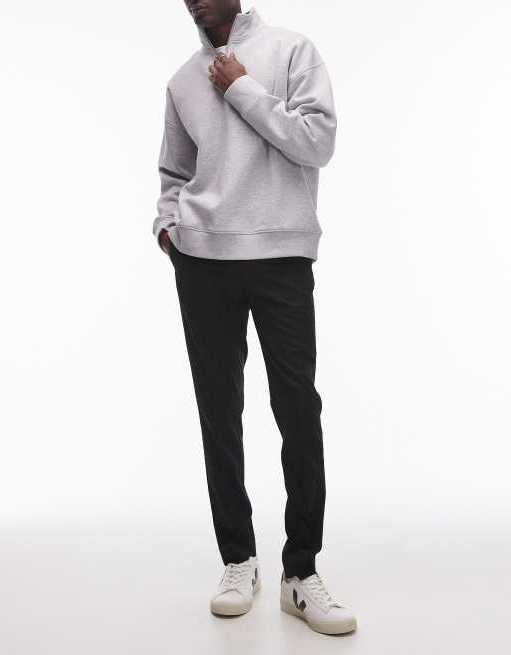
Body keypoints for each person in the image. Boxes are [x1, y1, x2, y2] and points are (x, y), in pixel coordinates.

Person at [153, 1, 357, 635]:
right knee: (219, 414)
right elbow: (173, 171)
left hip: (281, 255)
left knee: (298, 409)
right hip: (202, 261)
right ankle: (238, 560)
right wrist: (168, 226)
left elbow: (317, 143)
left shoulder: (291, 51)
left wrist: (241, 85)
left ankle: (301, 573)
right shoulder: (182, 80)